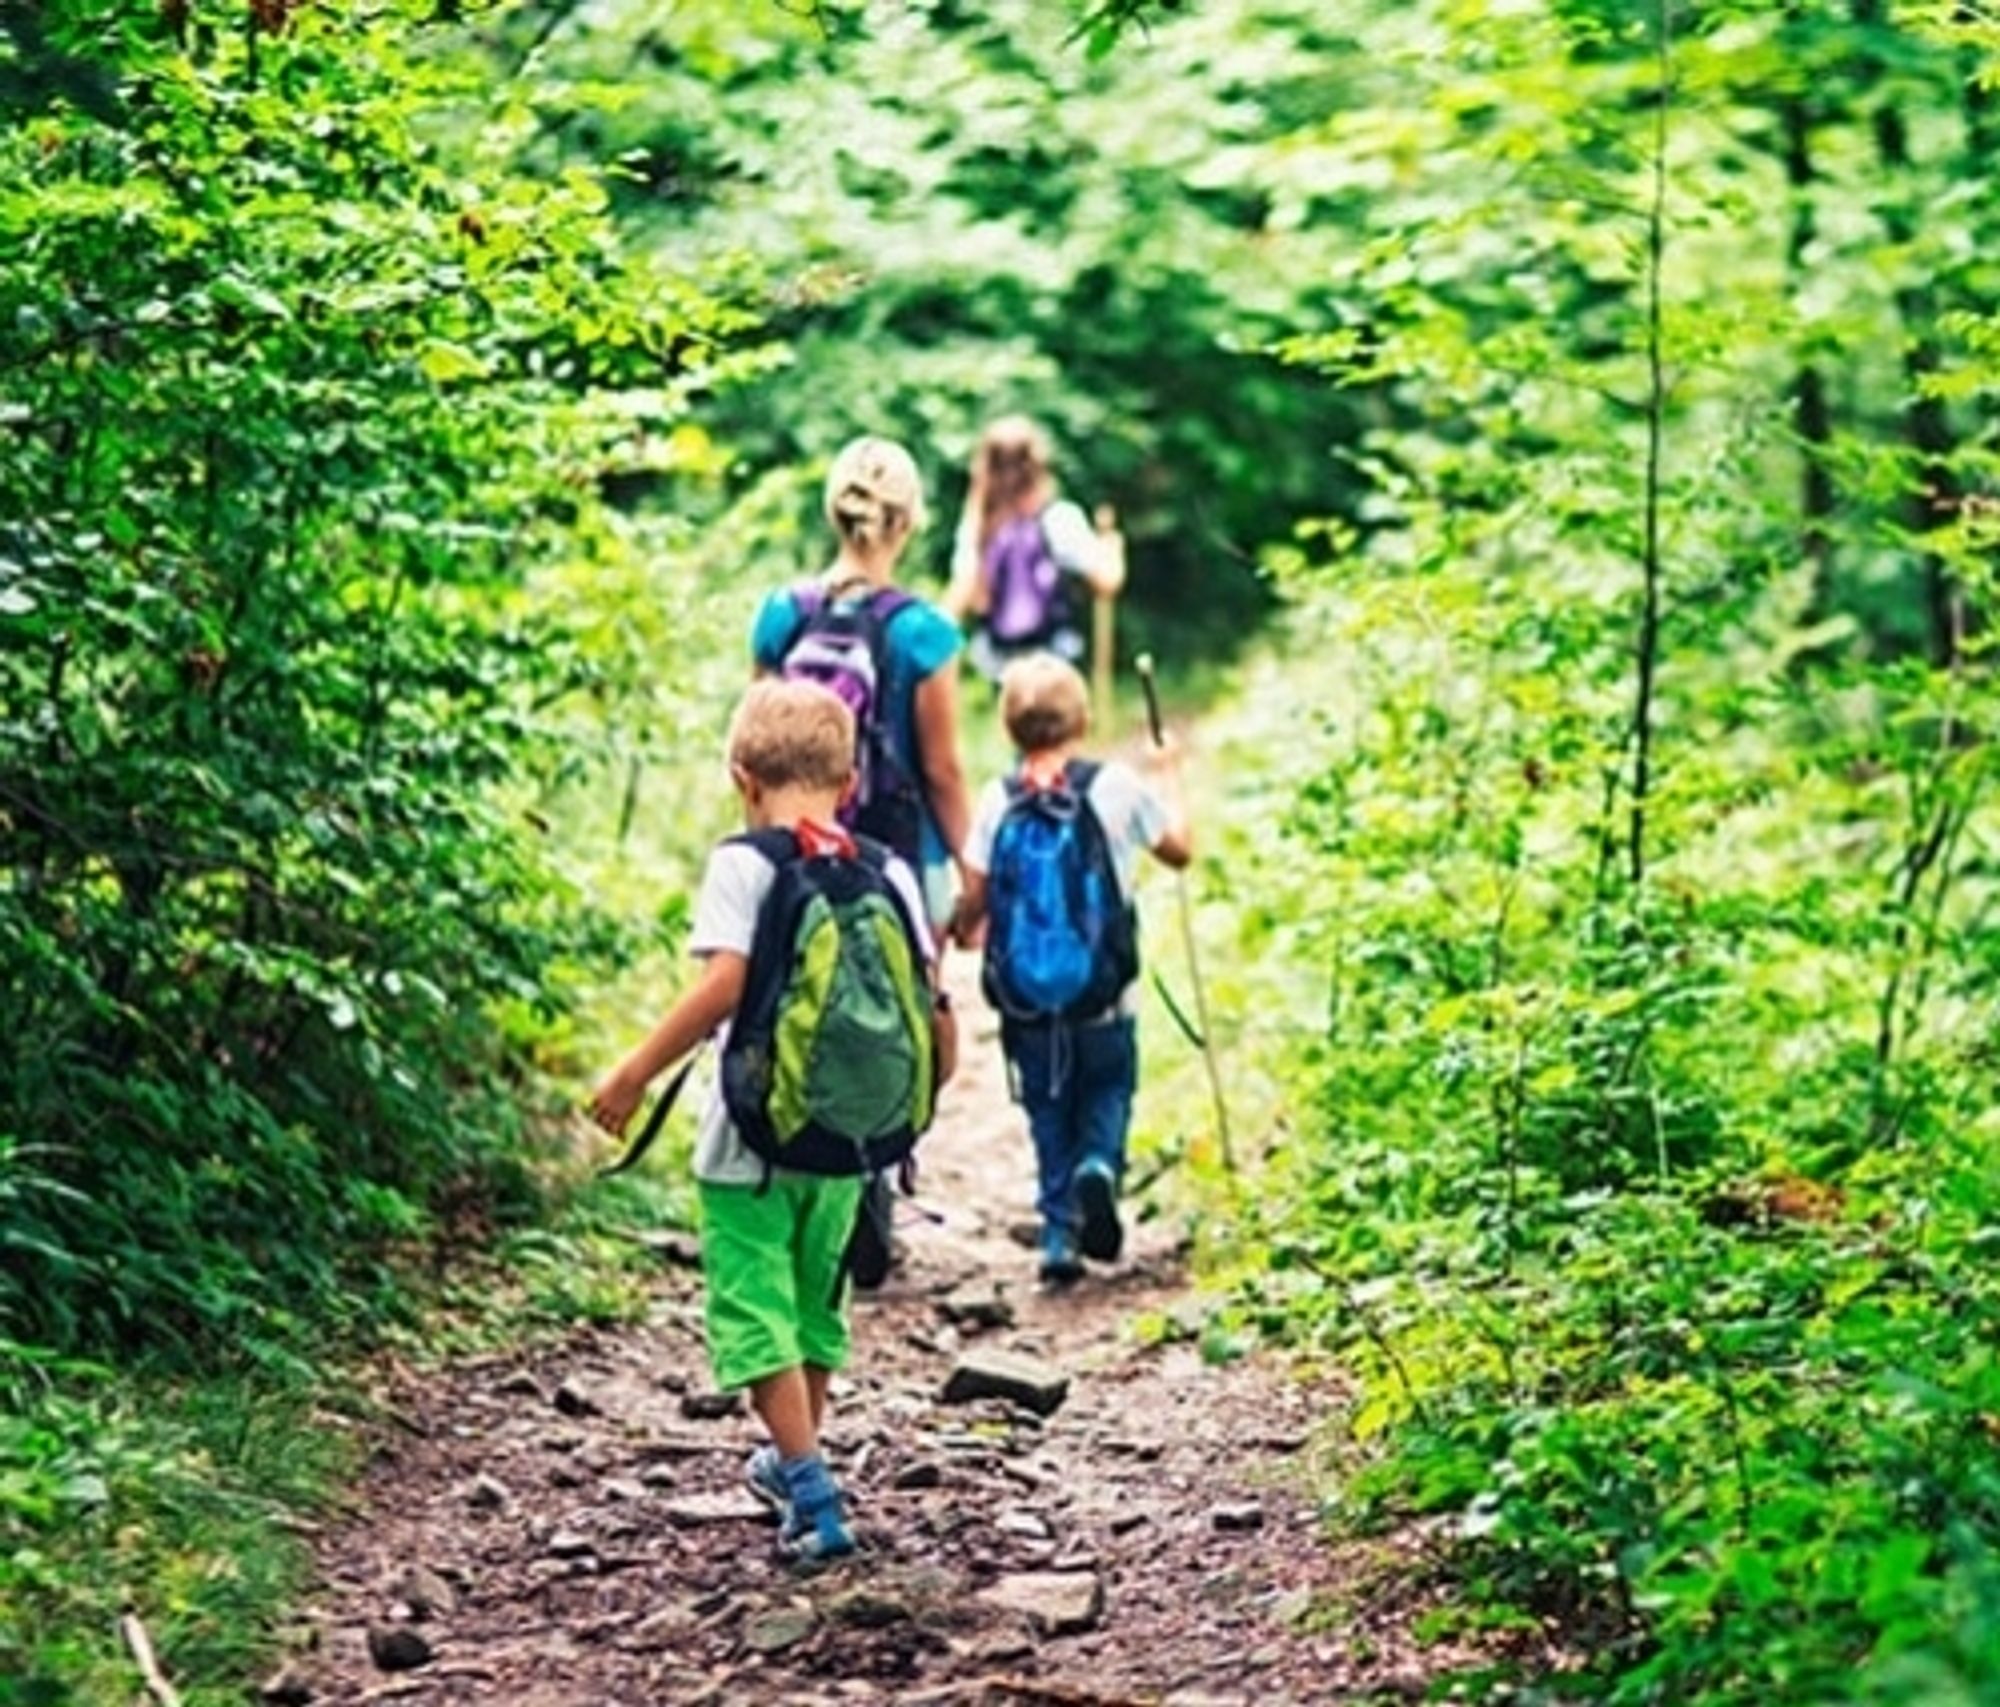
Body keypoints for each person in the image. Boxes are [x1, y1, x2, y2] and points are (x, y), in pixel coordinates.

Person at [589, 679, 954, 1567]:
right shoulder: (891, 868)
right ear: (851, 777)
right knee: (813, 1303)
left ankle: (813, 1489)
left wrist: (634, 1073)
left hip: (746, 1146)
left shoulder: (743, 864)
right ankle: (796, 1460)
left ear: (740, 776)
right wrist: (923, 1101)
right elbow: (933, 1003)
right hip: (849, 1143)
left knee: (755, 1309)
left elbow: (721, 985)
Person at [752, 435, 972, 1288]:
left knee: (790, 1002)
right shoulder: (921, 631)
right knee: (901, 1011)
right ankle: (873, 1173)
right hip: (891, 855)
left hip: (789, 850)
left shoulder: (783, 612)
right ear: (909, 521)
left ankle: (791, 1171)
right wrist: (972, 869)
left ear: (833, 511)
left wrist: (753, 845)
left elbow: (758, 741)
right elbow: (944, 768)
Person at [953, 652, 1192, 1286]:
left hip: (1028, 1004)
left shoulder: (995, 800)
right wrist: (1169, 777)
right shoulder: (1113, 787)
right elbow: (1180, 851)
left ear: (1008, 728)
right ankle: (1099, 1168)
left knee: (1046, 1108)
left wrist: (961, 927)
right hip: (1106, 998)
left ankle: (1059, 1234)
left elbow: (974, 897)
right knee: (1109, 1091)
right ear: (1082, 720)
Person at [945, 416, 1125, 684]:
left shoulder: (979, 528)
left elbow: (966, 597)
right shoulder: (1059, 518)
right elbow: (1107, 581)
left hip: (999, 667)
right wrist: (1113, 548)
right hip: (1055, 663)